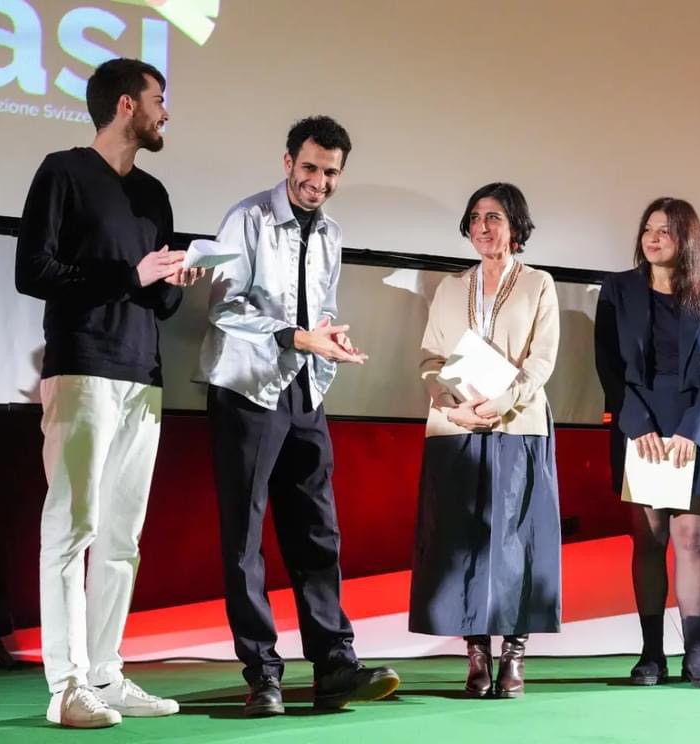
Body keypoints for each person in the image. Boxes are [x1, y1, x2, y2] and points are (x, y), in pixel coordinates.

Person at [16, 58, 202, 728]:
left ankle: (105, 673)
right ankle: (65, 687)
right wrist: (130, 274)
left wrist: (175, 281)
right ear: (127, 105)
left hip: (142, 376)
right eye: (159, 99)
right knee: (73, 528)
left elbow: (158, 299)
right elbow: (33, 270)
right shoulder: (63, 172)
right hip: (82, 367)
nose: (166, 112)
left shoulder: (154, 195)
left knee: (123, 537)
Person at [198, 116, 400, 716]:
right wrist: (295, 336)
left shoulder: (332, 232)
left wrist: (328, 339)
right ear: (288, 162)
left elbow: (322, 307)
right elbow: (223, 307)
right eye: (310, 167)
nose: (319, 181)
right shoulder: (248, 218)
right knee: (245, 539)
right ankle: (262, 673)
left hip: (305, 390)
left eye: (331, 172)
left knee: (318, 531)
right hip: (247, 389)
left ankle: (335, 665)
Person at [409, 182, 561, 699]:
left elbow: (542, 359)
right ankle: (476, 655)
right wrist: (450, 403)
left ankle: (514, 654)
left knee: (516, 541)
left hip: (517, 425)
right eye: (475, 217)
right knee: (461, 540)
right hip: (456, 427)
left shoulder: (538, 284)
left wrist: (504, 401)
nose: (482, 226)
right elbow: (431, 358)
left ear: (515, 225)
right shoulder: (451, 287)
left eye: (493, 216)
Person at [594, 198, 700, 688]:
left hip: (698, 424)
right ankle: (651, 653)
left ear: (686, 239)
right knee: (650, 541)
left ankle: (696, 653)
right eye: (648, 229)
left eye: (665, 231)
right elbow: (608, 365)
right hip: (642, 423)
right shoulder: (618, 289)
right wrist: (638, 425)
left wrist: (694, 431)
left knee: (691, 540)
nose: (653, 239)